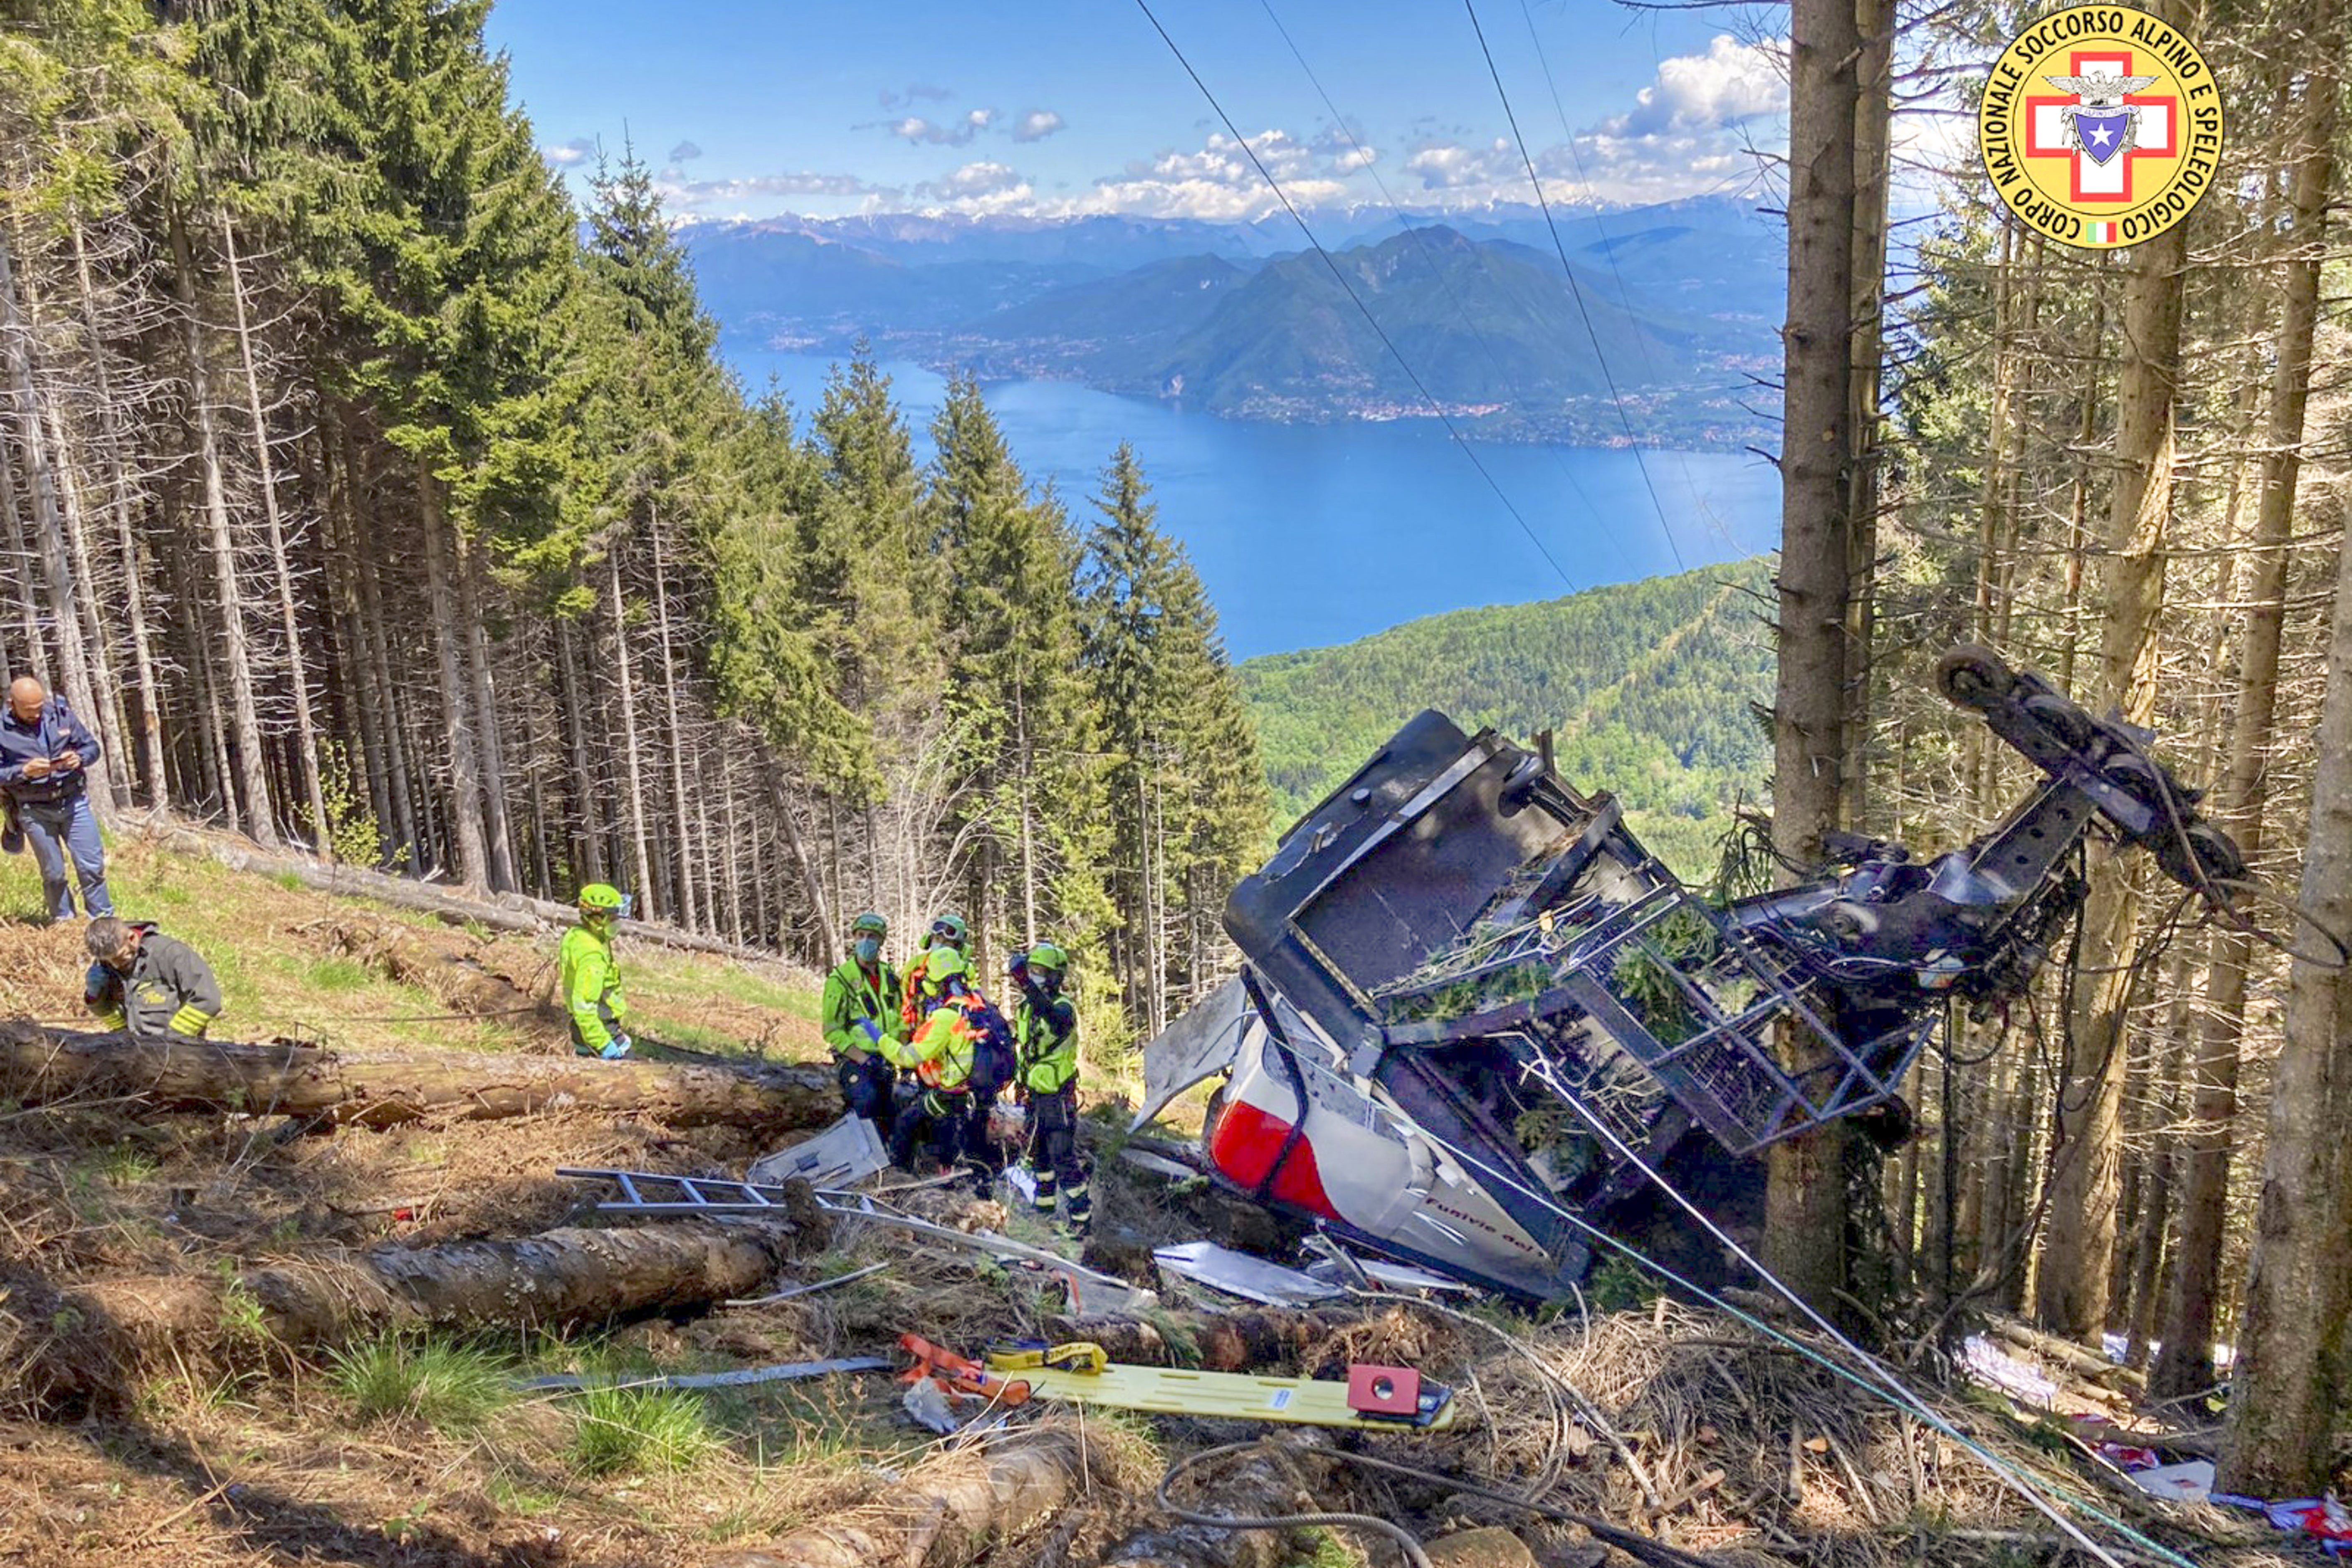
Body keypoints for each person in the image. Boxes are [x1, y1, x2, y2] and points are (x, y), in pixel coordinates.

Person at [891, 947, 1010, 1191]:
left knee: (907, 1121)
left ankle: (897, 1180)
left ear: (936, 983)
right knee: (970, 1140)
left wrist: (880, 1039)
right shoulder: (982, 1007)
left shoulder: (946, 1016)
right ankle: (978, 1181)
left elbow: (911, 1056)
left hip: (952, 1094)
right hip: (980, 1094)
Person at [0, 676, 113, 922]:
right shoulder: (2, 730)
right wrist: (24, 771)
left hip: (73, 802)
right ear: (12, 705)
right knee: (53, 874)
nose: (36, 714)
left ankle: (103, 921)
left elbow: (92, 747)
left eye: (39, 708)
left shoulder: (61, 715)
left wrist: (79, 758)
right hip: (34, 809)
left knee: (92, 867)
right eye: (29, 711)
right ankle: (63, 923)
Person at [1009, 943, 1088, 1232]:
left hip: (1057, 1095)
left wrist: (1027, 984)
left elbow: (1055, 1024)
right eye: (1032, 971)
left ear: (1055, 976)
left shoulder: (1063, 1007)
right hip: (1035, 1092)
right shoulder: (1026, 1007)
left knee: (1062, 1156)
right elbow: (1027, 1048)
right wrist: (1019, 1082)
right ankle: (1044, 1209)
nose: (1035, 977)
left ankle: (1081, 1219)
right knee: (1039, 1154)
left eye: (1041, 972)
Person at [821, 911, 905, 1131]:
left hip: (887, 1059)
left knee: (891, 1114)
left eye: (872, 936)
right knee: (866, 1103)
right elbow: (832, 1030)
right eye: (861, 935)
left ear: (881, 941)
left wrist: (905, 1056)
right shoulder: (841, 980)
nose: (866, 941)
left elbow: (901, 1018)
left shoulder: (890, 978)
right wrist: (864, 1059)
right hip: (855, 1060)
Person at [84, 916, 222, 1038]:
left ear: (131, 939)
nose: (115, 966)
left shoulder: (171, 954)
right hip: (133, 1051)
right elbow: (112, 1015)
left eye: (120, 958)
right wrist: (96, 998)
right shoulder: (104, 964)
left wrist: (173, 1040)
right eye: (109, 961)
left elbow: (208, 1000)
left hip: (177, 1052)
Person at [561, 882, 633, 1058]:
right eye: (613, 918)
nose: (617, 923)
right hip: (599, 1029)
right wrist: (603, 1043)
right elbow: (585, 1006)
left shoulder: (579, 936)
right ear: (597, 919)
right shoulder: (591, 956)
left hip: (586, 1028)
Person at [897, 911, 971, 1035]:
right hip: (921, 1033)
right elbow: (903, 998)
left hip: (954, 1033)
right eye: (937, 939)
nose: (940, 945)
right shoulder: (916, 965)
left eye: (947, 942)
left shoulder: (965, 969)